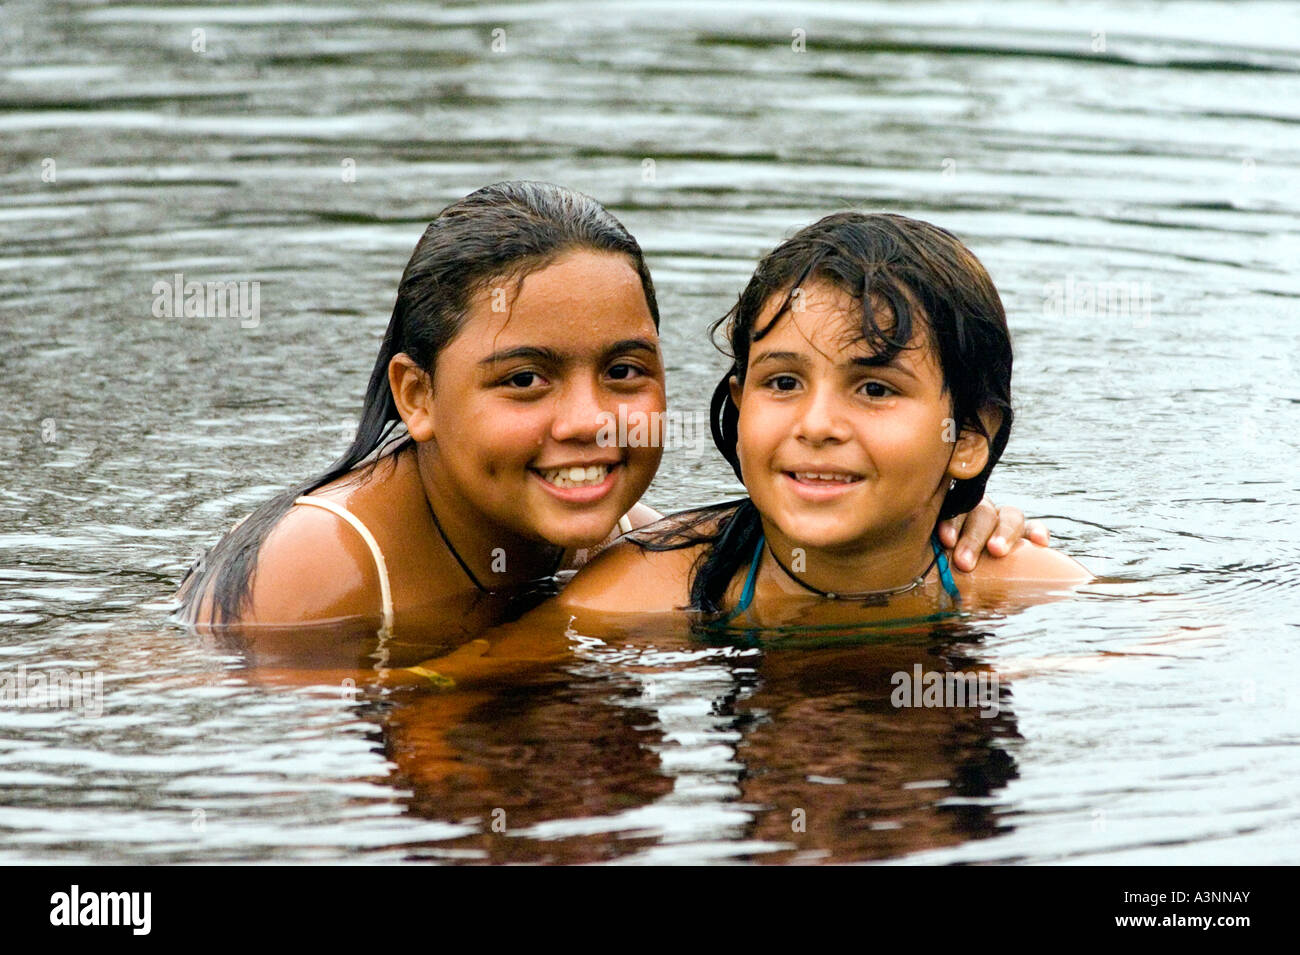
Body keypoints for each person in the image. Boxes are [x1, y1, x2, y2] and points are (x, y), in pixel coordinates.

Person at [176, 185, 1043, 665]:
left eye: (625, 371)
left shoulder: (629, 539)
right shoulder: (317, 572)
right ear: (417, 397)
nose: (592, 422)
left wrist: (960, 505)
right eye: (524, 379)